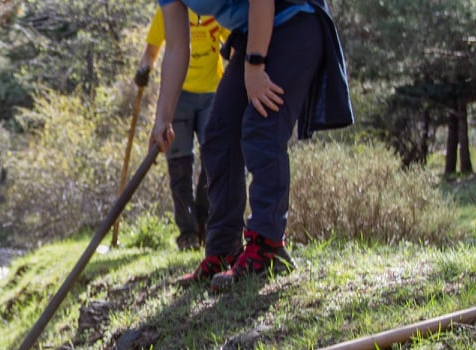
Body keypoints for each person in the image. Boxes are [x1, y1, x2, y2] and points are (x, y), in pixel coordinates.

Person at [149, 0, 351, 291]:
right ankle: (223, 251)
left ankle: (268, 249)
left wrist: (255, 66)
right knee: (219, 134)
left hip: (294, 21)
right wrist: (163, 118)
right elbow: (178, 48)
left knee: (262, 127)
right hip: (253, 34)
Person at [136, 8, 226, 250]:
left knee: (213, 161)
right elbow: (151, 52)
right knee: (179, 165)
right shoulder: (168, 10)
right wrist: (144, 70)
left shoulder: (216, 7)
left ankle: (205, 225)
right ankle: (187, 234)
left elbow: (237, 40)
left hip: (211, 94)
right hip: (179, 96)